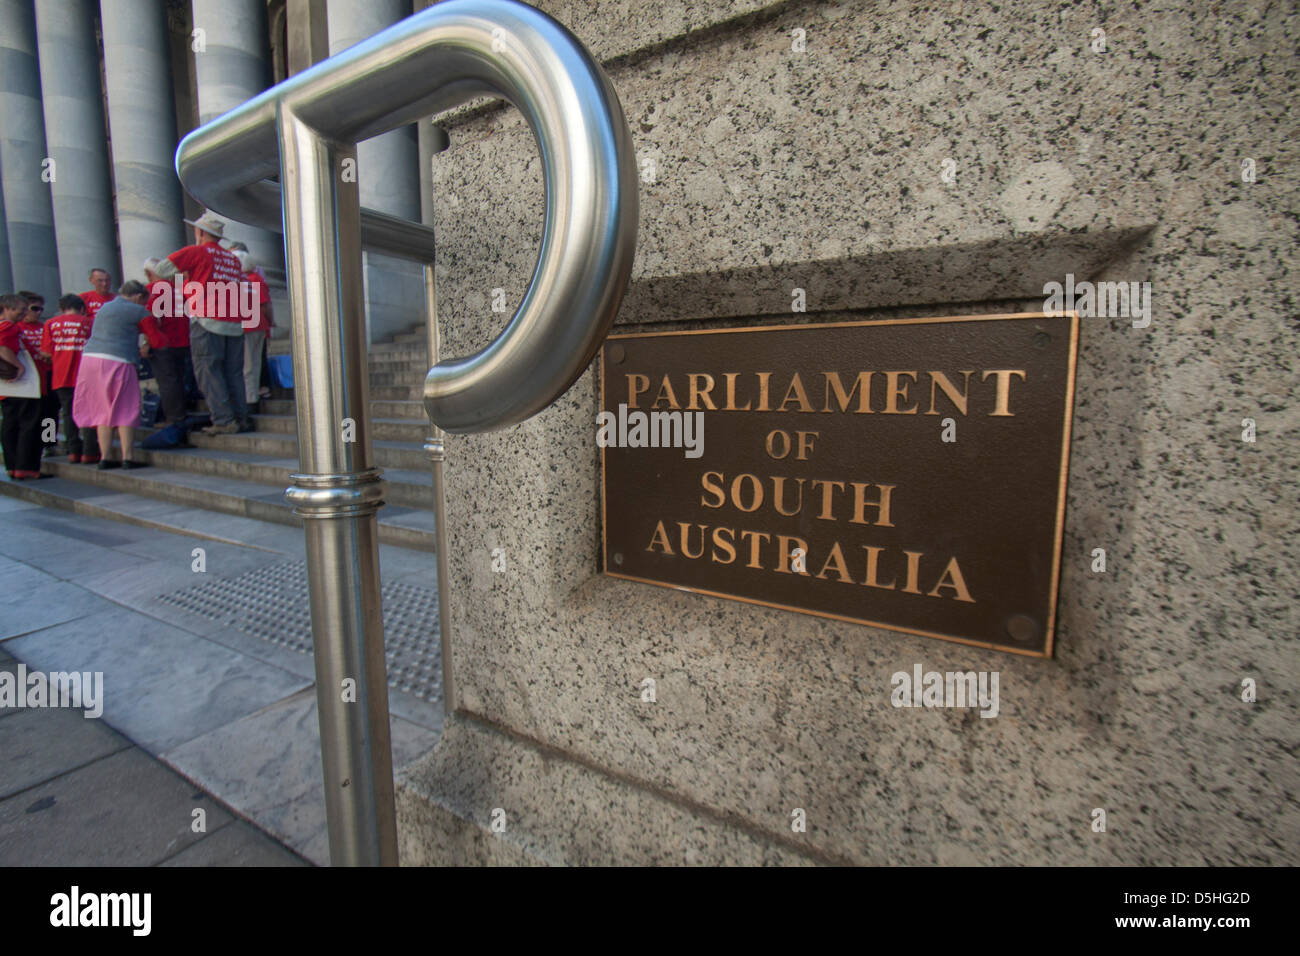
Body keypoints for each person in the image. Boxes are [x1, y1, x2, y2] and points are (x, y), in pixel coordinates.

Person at [153, 211, 246, 435]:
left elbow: (161, 269)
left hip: (206, 318)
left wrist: (184, 277)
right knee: (233, 372)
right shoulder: (232, 259)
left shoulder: (196, 252)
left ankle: (224, 420)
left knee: (209, 370)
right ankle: (241, 417)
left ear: (201, 232)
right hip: (233, 320)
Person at [72, 281, 153, 470]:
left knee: (102, 410)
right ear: (139, 297)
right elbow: (153, 332)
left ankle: (105, 457)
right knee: (126, 408)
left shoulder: (105, 307)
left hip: (90, 360)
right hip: (119, 360)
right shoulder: (137, 310)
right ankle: (128, 457)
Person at [39, 294, 100, 464]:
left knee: (67, 413)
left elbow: (45, 353)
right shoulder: (88, 323)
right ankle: (90, 450)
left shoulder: (50, 324)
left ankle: (72, 450)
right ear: (82, 308)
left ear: (61, 308)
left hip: (59, 375)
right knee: (88, 411)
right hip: (87, 373)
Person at [140, 257, 190, 438]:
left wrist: (146, 342)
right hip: (183, 340)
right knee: (177, 378)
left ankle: (174, 418)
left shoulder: (152, 290)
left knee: (167, 381)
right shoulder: (178, 289)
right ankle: (179, 414)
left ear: (148, 273)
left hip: (163, 342)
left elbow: (149, 319)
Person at [0, 293, 47, 479]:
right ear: (8, 308)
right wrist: (18, 366)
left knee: (13, 423)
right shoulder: (10, 327)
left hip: (13, 387)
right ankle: (28, 465)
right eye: (25, 310)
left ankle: (14, 465)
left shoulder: (43, 326)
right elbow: (3, 347)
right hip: (25, 385)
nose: (30, 313)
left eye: (38, 309)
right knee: (31, 424)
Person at [16, 292, 58, 460]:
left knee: (51, 411)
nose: (39, 312)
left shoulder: (45, 326)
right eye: (35, 308)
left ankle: (49, 442)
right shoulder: (17, 328)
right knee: (31, 414)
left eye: (41, 308)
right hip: (28, 378)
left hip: (48, 373)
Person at [232, 245, 270, 429]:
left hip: (246, 326)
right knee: (254, 364)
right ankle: (252, 397)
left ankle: (250, 400)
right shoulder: (257, 280)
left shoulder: (239, 282)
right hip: (259, 325)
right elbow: (265, 305)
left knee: (247, 366)